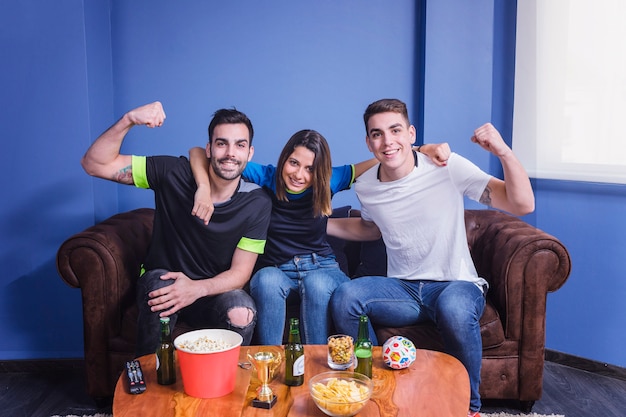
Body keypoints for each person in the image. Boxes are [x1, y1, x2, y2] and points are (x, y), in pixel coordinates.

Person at [328, 98, 534, 417]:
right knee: (346, 296)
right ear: (369, 142)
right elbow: (371, 229)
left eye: (395, 130)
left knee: (453, 308)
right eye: (377, 134)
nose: (387, 141)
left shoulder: (446, 167)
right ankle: (374, 390)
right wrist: (320, 225)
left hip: (456, 284)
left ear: (411, 134)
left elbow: (522, 205)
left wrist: (503, 152)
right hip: (403, 290)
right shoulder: (366, 186)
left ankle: (469, 409)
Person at [189, 130, 450, 345]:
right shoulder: (267, 175)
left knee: (315, 285)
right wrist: (203, 187)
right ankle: (272, 366)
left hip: (322, 267)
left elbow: (377, 162)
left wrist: (418, 150)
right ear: (284, 160)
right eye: (293, 163)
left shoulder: (329, 180)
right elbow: (199, 153)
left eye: (310, 169)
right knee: (265, 279)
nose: (299, 175)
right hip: (278, 269)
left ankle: (314, 368)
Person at [80, 101, 272, 357]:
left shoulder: (257, 202)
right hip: (164, 277)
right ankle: (150, 384)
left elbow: (240, 273)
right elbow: (94, 164)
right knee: (162, 290)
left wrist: (197, 288)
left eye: (240, 145)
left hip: (211, 291)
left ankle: (223, 387)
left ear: (249, 153)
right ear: (209, 149)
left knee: (241, 311)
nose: (230, 153)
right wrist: (128, 119)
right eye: (221, 143)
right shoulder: (173, 173)